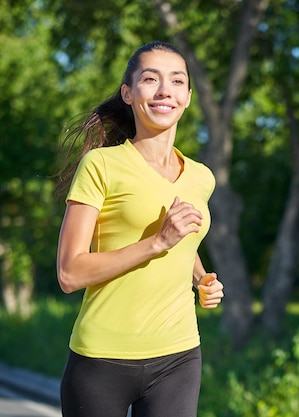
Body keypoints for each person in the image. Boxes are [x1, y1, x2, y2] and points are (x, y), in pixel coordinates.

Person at [55, 41, 224, 417]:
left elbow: (184, 237)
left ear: (188, 96)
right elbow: (69, 273)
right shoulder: (101, 165)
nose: (165, 90)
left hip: (179, 357)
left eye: (177, 81)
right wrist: (157, 242)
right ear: (128, 93)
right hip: (102, 360)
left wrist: (200, 278)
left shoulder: (201, 177)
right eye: (151, 79)